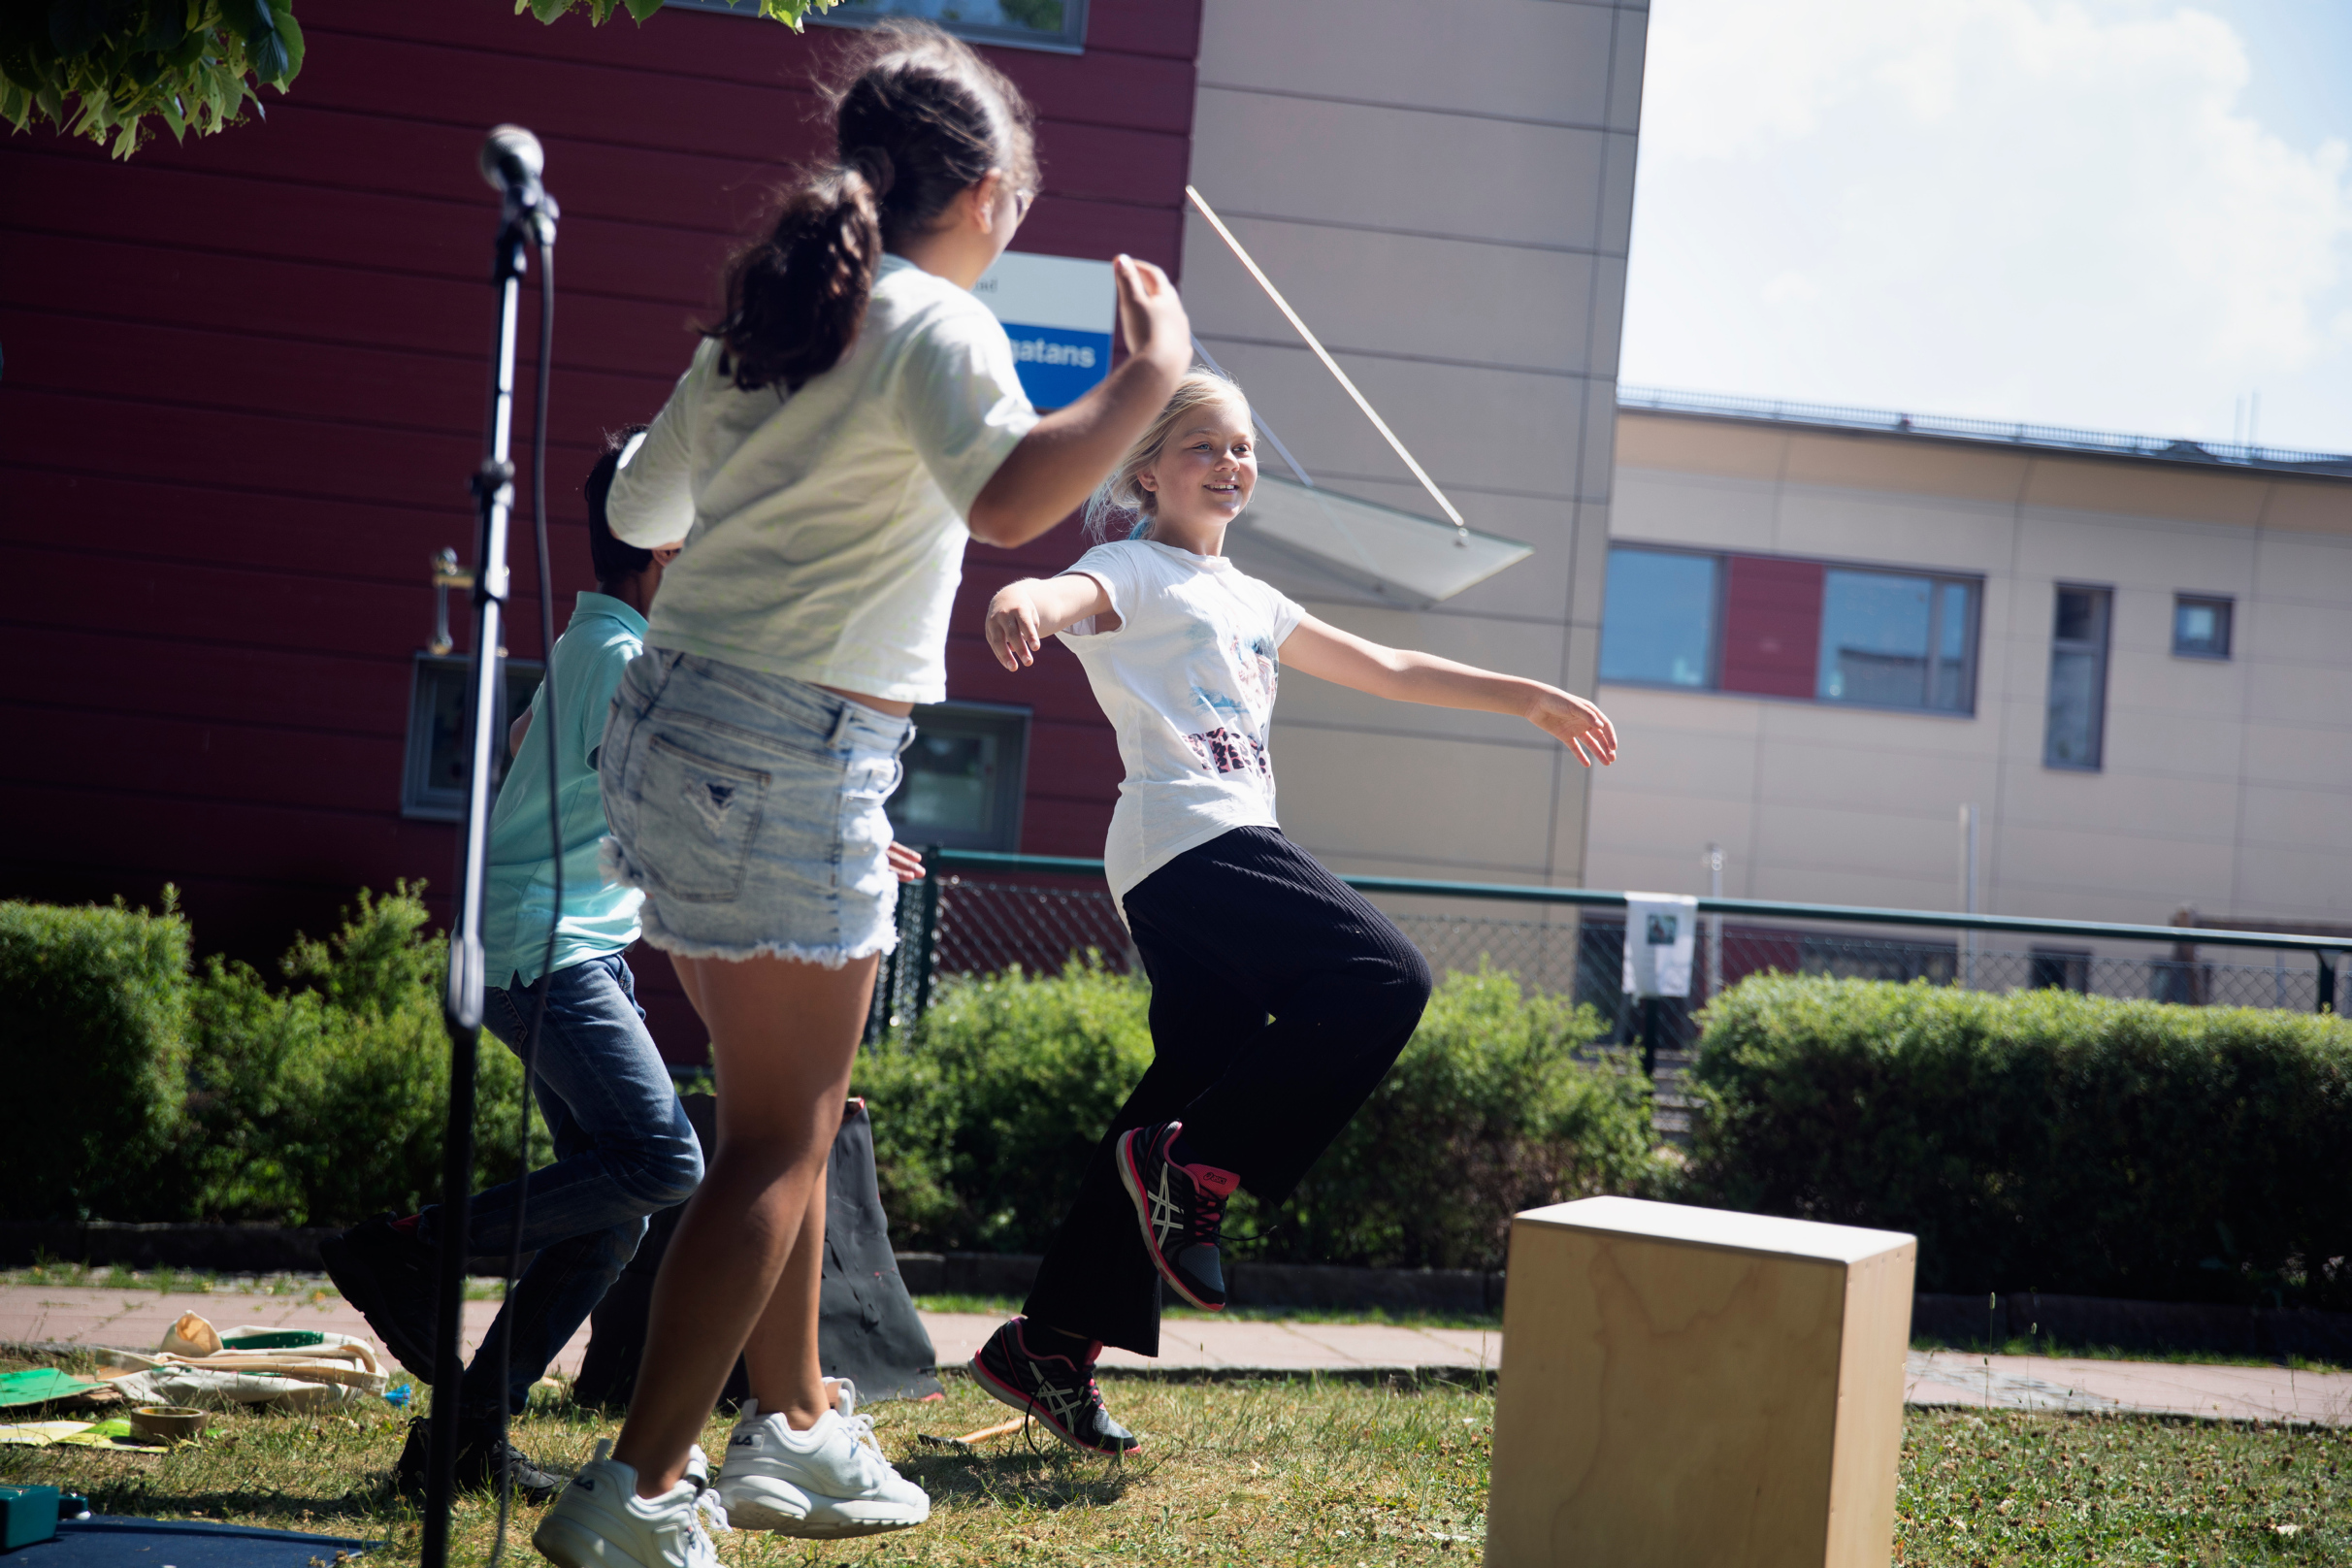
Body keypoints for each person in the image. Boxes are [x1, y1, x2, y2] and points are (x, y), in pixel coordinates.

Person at [529, 23, 1193, 1568]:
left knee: (789, 1117)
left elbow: (637, 507)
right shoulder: (935, 327)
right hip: (790, 748)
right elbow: (1020, 498)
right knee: (773, 1143)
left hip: (669, 727)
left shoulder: (760, 335)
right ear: (983, 194)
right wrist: (1146, 375)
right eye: (1017, 194)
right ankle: (632, 1493)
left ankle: (804, 1428)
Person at [967, 370, 1619, 1454]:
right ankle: (1197, 1169)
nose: (1230, 464)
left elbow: (1393, 665)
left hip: (1195, 852)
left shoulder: (1253, 598)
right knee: (1384, 976)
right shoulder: (1134, 564)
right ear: (1146, 471)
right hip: (1192, 836)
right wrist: (1015, 603)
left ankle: (1050, 1341)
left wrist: (1527, 695)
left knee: (1185, 1082)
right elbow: (1060, 593)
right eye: (1201, 449)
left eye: (1242, 449)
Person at [320, 429, 706, 1504]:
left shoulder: (600, 646)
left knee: (614, 1216)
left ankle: (456, 1444)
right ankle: (414, 1247)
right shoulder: (620, 656)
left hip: (560, 944)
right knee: (667, 1160)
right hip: (546, 951)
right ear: (668, 550)